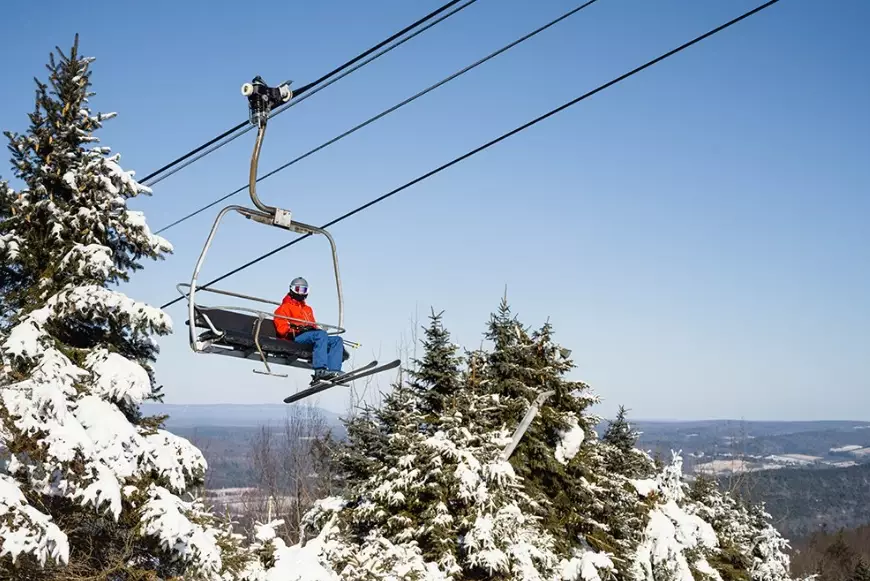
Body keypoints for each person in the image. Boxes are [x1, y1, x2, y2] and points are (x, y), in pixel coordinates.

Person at [273, 277, 344, 382]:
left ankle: (334, 371)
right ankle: (320, 370)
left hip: (310, 336)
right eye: (298, 289)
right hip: (296, 337)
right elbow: (281, 329)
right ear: (292, 289)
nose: (301, 293)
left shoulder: (307, 309)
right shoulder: (284, 308)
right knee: (321, 335)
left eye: (304, 290)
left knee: (337, 340)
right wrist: (297, 328)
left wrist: (313, 328)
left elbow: (313, 325)